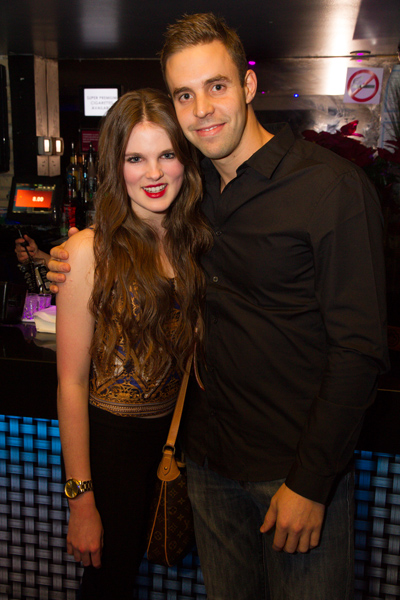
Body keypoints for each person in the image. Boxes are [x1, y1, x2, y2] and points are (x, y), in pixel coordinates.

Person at [48, 13, 389, 600]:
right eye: (185, 94)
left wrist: (311, 482)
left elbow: (359, 351)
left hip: (293, 473)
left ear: (248, 85)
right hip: (206, 469)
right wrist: (75, 255)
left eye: (217, 85)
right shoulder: (194, 192)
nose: (202, 108)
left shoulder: (329, 189)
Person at [56, 88, 212, 600]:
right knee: (109, 582)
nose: (154, 173)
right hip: (110, 447)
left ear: (185, 158)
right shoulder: (88, 251)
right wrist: (81, 499)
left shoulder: (194, 244)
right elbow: (71, 383)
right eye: (135, 158)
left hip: (175, 439)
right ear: (114, 166)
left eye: (166, 154)